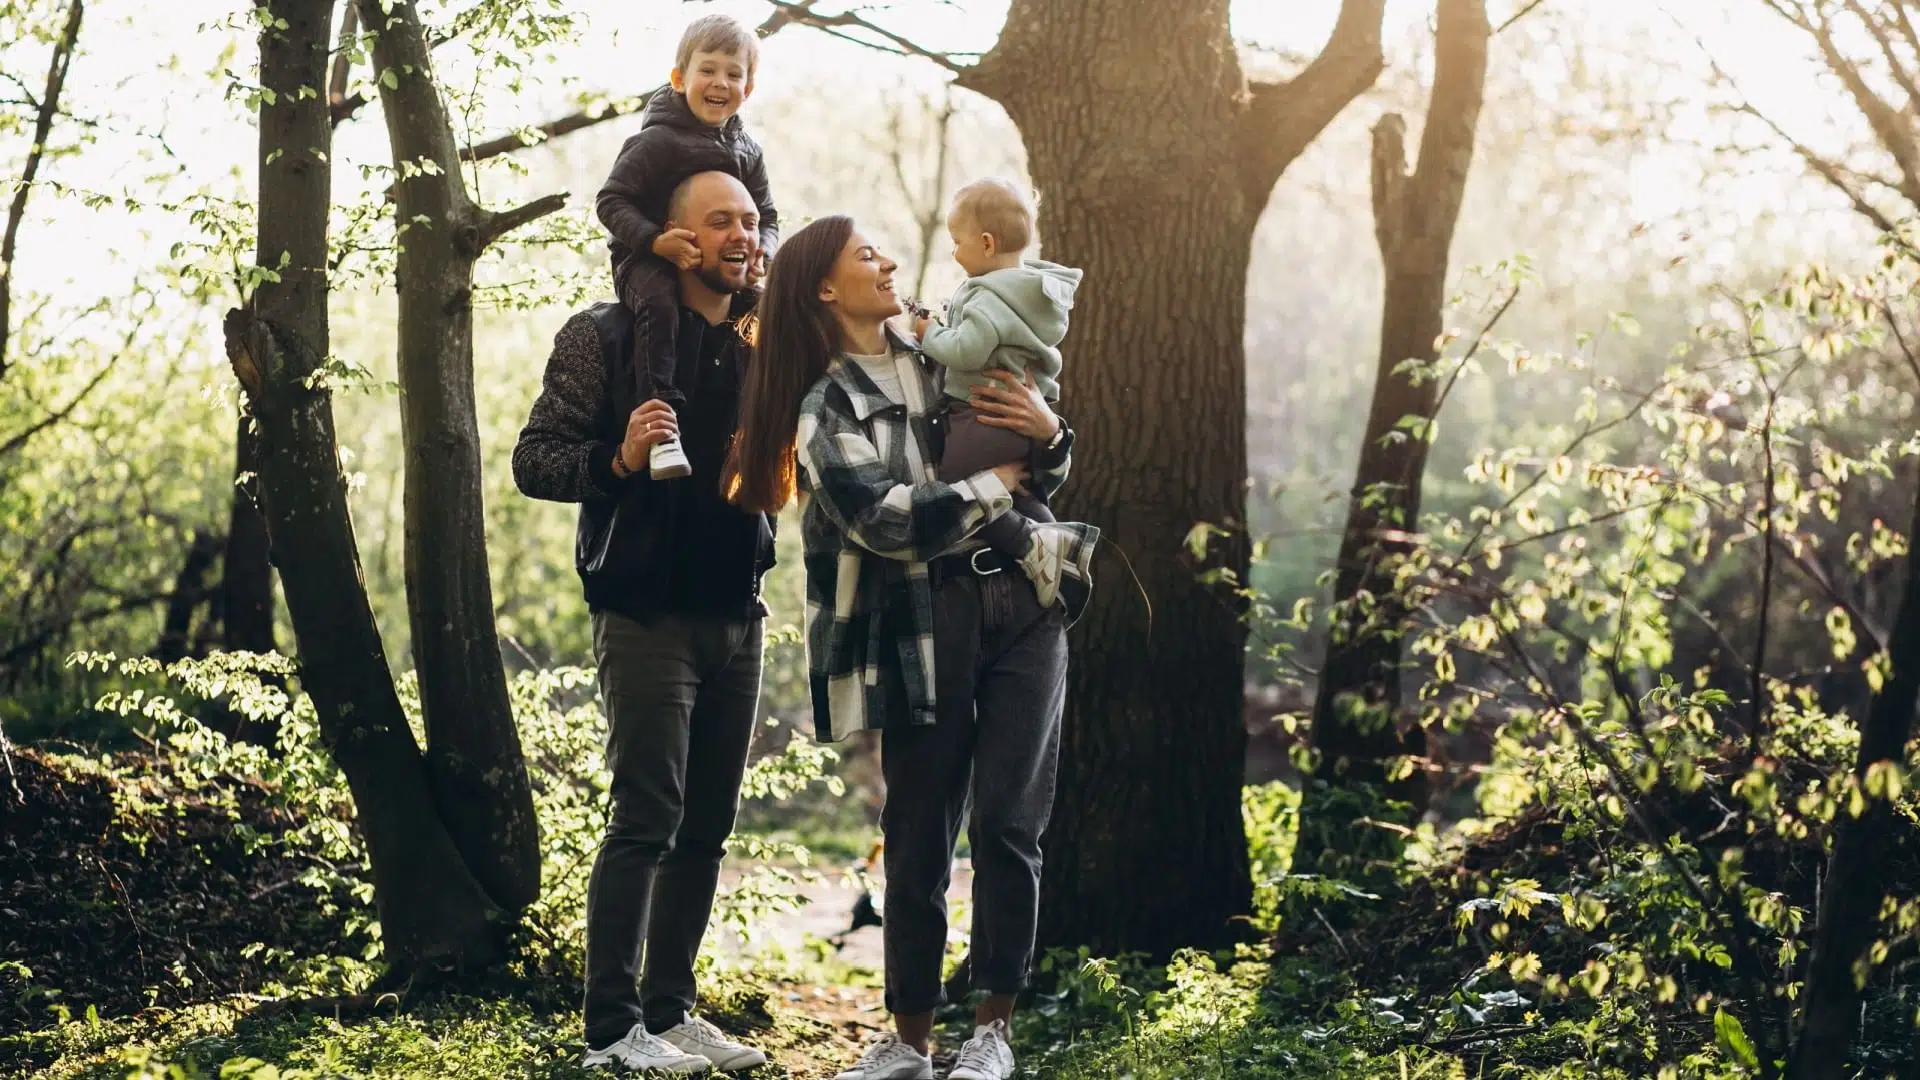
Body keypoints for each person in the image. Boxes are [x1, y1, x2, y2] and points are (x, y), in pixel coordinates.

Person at [722, 215, 1098, 1080]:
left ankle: (993, 1033)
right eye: (866, 254)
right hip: (916, 623)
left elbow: (1039, 457)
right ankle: (911, 1041)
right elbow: (884, 522)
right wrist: (994, 480)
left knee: (1009, 820)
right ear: (824, 287)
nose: (889, 261)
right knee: (919, 828)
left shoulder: (948, 345)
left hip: (1025, 601)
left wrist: (1048, 434)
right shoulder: (828, 404)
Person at [513, 171, 775, 1074]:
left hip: (741, 613)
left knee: (706, 826)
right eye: (720, 222)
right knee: (647, 818)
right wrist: (619, 458)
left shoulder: (759, 336)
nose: (741, 235)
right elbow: (534, 460)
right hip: (644, 615)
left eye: (749, 219)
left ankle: (669, 1016)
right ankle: (610, 1031)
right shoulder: (605, 333)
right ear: (674, 237)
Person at [596, 12, 779, 480]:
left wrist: (765, 251)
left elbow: (769, 216)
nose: (721, 82)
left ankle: (766, 427)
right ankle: (662, 428)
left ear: (749, 89)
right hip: (645, 259)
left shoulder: (748, 152)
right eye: (708, 70)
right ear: (679, 78)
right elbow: (612, 201)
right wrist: (655, 241)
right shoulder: (656, 141)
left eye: (734, 74)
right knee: (659, 304)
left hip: (719, 268)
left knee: (765, 313)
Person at [912, 177, 1087, 609]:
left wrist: (928, 330)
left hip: (983, 418)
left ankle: (1034, 546)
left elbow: (967, 349)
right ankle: (1051, 538)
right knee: (1021, 495)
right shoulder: (1030, 291)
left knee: (955, 489)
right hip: (1022, 422)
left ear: (986, 243)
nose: (953, 252)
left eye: (957, 242)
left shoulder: (988, 295)